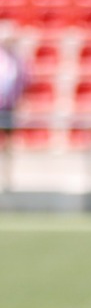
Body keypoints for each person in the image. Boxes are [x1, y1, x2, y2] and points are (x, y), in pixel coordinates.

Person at [0, 21, 27, 191]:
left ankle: (7, 178)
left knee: (8, 144)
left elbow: (24, 82)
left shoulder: (18, 60)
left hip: (9, 107)